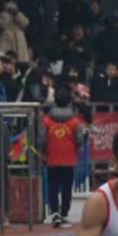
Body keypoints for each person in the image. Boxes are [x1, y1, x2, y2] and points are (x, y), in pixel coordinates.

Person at [40, 86, 86, 227]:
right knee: (66, 188)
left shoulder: (46, 121)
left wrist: (44, 152)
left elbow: (42, 139)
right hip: (69, 159)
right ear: (69, 103)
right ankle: (64, 214)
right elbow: (79, 140)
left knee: (53, 187)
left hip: (52, 159)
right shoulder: (74, 121)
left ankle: (55, 213)